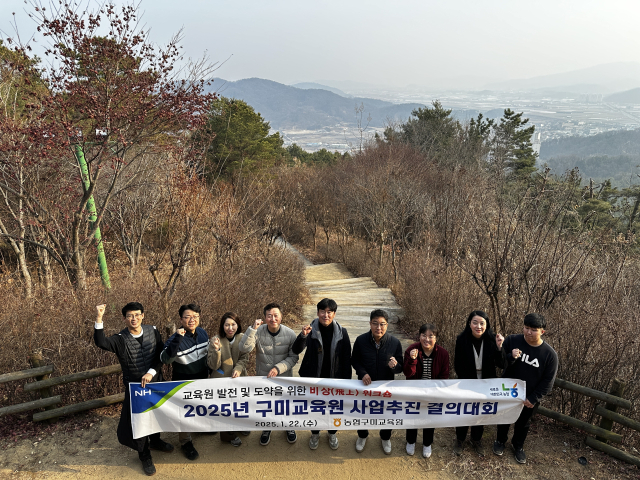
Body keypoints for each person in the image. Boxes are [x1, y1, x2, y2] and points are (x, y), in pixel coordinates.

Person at [94, 302, 174, 476]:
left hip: (155, 382)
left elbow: (161, 356)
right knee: (140, 423)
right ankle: (144, 455)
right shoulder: (120, 339)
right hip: (136, 389)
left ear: (143, 315)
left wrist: (152, 372)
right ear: (124, 319)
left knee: (156, 415)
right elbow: (101, 342)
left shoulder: (153, 331)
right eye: (130, 316)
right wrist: (99, 317)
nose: (134, 319)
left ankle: (156, 441)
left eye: (137, 315)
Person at [493, 313, 558, 464]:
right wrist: (510, 356)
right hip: (507, 390)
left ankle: (518, 446)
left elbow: (548, 381)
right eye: (526, 328)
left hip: (529, 396)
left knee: (523, 423)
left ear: (542, 331)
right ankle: (500, 441)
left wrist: (534, 398)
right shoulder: (512, 340)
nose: (529, 332)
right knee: (504, 418)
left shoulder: (549, 355)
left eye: (534, 329)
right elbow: (500, 363)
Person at [292, 298, 352, 451]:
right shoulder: (310, 330)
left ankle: (332, 433)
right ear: (318, 312)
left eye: (329, 312)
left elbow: (346, 358)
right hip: (313, 377)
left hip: (335, 378)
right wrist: (302, 336)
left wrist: (347, 382)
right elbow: (296, 350)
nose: (326, 315)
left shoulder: (342, 332)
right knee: (315, 408)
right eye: (323, 312)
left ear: (334, 314)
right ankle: (315, 432)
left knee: (334, 408)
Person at [239, 302, 299, 446]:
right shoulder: (258, 331)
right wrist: (252, 329)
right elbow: (244, 348)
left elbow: (294, 357)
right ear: (265, 317)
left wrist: (279, 368)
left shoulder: (290, 334)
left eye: (276, 315)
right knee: (267, 404)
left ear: (281, 316)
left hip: (284, 377)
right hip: (264, 377)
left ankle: (289, 426)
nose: (273, 319)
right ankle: (267, 428)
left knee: (286, 404)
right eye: (269, 316)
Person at [160, 304, 210, 461]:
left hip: (202, 378)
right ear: (181, 319)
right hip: (183, 381)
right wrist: (177, 339)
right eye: (188, 317)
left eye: (195, 316)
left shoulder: (203, 333)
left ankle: (199, 427)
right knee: (185, 411)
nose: (192, 319)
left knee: (201, 405)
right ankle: (185, 442)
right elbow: (165, 359)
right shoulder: (174, 339)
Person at [453, 310, 506, 456]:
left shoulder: (492, 340)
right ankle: (460, 439)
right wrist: (469, 384)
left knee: (480, 412)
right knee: (464, 412)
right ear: (469, 324)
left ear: (486, 324)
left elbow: (501, 364)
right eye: (475, 322)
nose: (479, 326)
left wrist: (500, 347)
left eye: (482, 323)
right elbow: (457, 365)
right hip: (466, 382)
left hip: (486, 384)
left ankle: (476, 440)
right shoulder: (461, 339)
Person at [351, 309, 403, 455]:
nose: (378, 328)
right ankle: (362, 436)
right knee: (362, 411)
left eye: (382, 324)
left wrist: (395, 367)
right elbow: (354, 360)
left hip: (386, 387)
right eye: (375, 323)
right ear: (370, 324)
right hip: (365, 385)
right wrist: (362, 373)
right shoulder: (361, 340)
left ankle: (385, 437)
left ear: (387, 325)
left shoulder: (394, 342)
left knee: (387, 412)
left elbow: (400, 368)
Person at [403, 323, 449, 458]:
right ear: (419, 336)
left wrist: (437, 391)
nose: (427, 339)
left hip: (433, 392)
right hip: (414, 391)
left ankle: (427, 443)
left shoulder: (443, 353)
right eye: (424, 335)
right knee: (413, 416)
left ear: (436, 338)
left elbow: (444, 376)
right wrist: (412, 360)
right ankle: (410, 441)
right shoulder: (412, 349)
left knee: (430, 417)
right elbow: (407, 373)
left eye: (431, 336)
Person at [208, 312, 250, 446]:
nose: (230, 328)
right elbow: (213, 365)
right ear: (222, 326)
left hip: (239, 378)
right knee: (225, 409)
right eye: (227, 325)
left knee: (239, 405)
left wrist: (238, 369)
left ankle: (240, 426)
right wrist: (216, 350)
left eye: (233, 324)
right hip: (221, 381)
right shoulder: (215, 340)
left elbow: (244, 358)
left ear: (238, 325)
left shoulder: (242, 338)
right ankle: (227, 435)